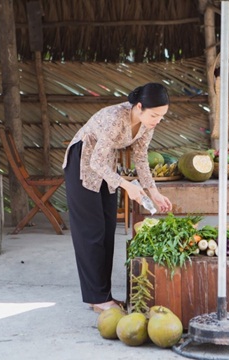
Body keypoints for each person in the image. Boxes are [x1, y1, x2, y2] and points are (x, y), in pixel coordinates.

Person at [62, 83, 173, 313]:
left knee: (107, 229)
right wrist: (126, 186)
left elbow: (141, 159)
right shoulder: (115, 117)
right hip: (82, 162)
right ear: (139, 107)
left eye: (162, 116)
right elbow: (94, 162)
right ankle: (98, 299)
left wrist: (154, 192)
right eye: (154, 115)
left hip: (107, 166)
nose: (157, 120)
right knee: (92, 232)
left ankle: (102, 295)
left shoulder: (147, 124)